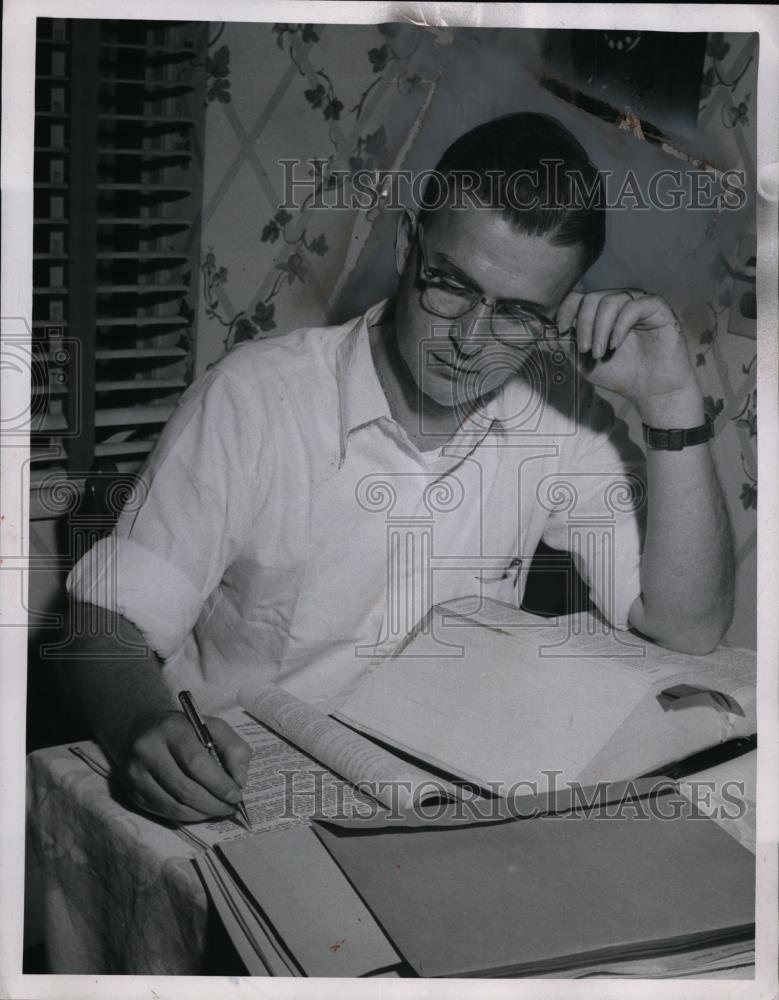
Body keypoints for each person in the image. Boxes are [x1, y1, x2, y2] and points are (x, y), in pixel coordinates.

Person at [63, 112, 734, 824]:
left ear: (555, 313)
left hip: (444, 800)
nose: (470, 341)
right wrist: (142, 727)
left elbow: (684, 626)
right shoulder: (255, 399)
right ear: (408, 245)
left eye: (516, 314)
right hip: (243, 789)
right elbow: (103, 623)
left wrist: (669, 401)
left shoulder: (560, 419)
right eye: (450, 286)